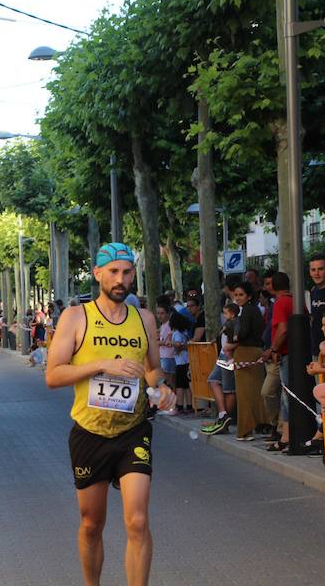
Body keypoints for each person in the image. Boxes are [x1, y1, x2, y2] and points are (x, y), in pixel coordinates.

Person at [45, 242, 174, 586]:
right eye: (114, 272)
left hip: (133, 430)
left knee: (137, 521)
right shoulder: (76, 318)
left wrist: (162, 388)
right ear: (98, 273)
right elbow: (52, 375)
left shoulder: (143, 319)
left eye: (127, 273)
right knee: (91, 524)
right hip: (90, 432)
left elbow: (153, 370)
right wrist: (102, 364)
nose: (121, 280)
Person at [261, 272, 295, 453]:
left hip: (286, 354)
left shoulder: (281, 303)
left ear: (273, 286)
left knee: (286, 396)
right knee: (285, 395)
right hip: (292, 354)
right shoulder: (294, 300)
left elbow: (282, 329)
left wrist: (273, 349)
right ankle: (285, 435)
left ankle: (287, 436)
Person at [229, 282, 266, 441]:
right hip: (255, 353)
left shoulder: (246, 312)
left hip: (245, 353)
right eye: (236, 295)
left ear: (249, 296)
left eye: (241, 295)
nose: (237, 298)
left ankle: (245, 430)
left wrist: (232, 339)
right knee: (256, 393)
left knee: (244, 395)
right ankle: (263, 424)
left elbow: (242, 333)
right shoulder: (254, 310)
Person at [201, 303, 239, 435]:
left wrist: (230, 347)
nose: (224, 315)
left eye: (226, 313)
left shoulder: (235, 322)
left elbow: (238, 337)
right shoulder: (229, 323)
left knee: (229, 388)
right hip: (223, 354)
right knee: (213, 379)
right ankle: (223, 414)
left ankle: (225, 419)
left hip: (228, 356)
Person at [169, 311, 193, 415]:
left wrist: (171, 343)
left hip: (180, 362)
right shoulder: (185, 333)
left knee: (179, 385)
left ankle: (179, 406)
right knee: (186, 385)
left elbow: (178, 344)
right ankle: (189, 405)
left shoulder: (176, 333)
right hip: (187, 361)